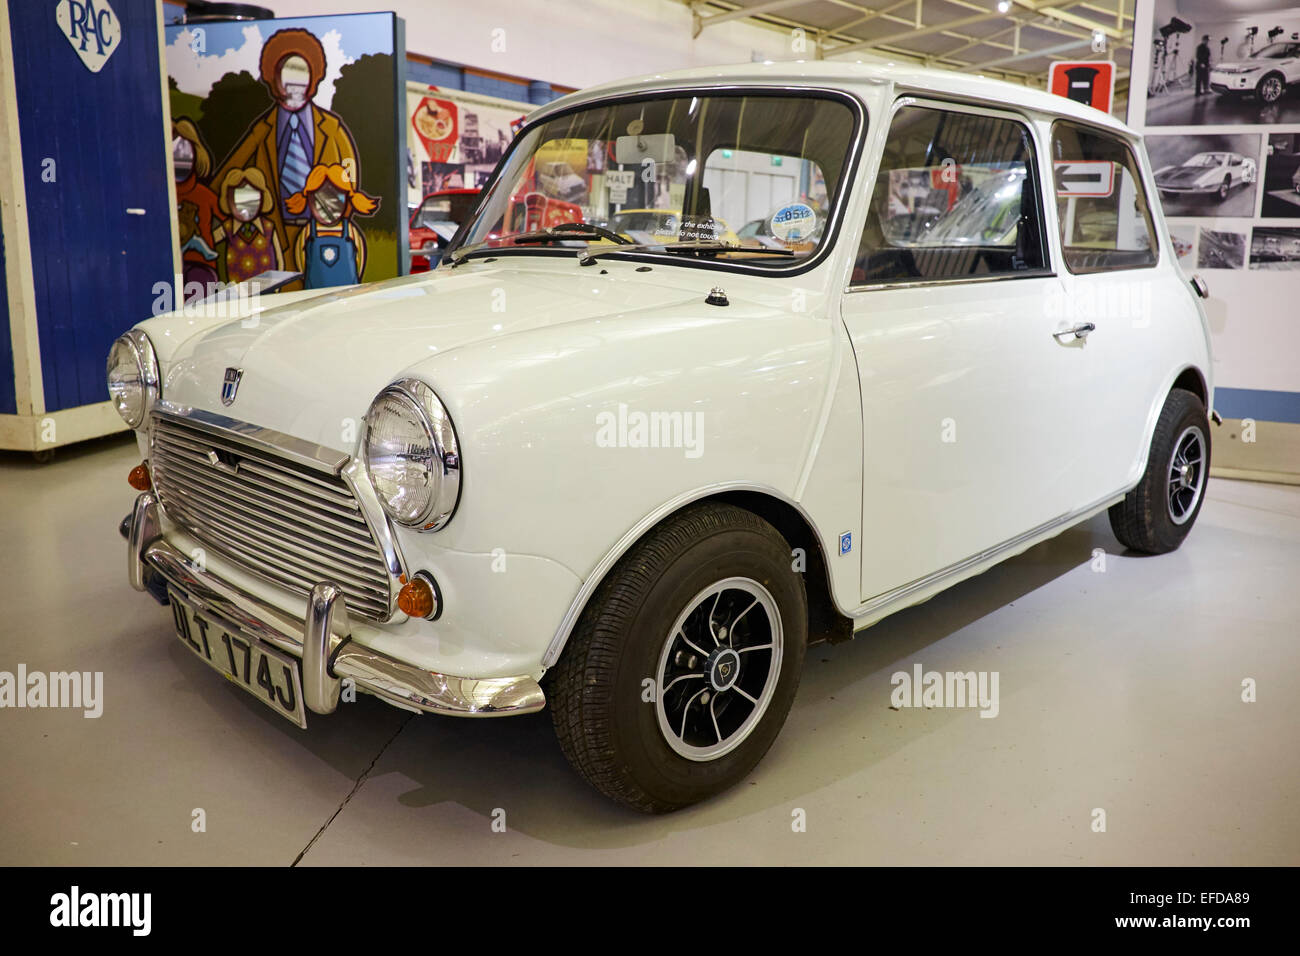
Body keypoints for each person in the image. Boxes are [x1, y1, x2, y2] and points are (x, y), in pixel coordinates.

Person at [210, 29, 359, 260]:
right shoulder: (261, 130)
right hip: (275, 231)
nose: (295, 86)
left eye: (302, 75)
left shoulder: (331, 128)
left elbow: (350, 177)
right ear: (274, 79)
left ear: (314, 78)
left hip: (320, 230)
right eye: (287, 76)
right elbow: (227, 173)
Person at [286, 163, 379, 288]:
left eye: (335, 199)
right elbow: (300, 260)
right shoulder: (309, 231)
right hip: (315, 293)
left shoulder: (349, 230)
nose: (328, 207)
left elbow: (360, 259)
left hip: (347, 292)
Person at [212, 167, 284, 284]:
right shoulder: (227, 228)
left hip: (267, 293)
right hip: (238, 293)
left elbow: (279, 259)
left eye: (252, 199)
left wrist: (277, 286)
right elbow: (209, 241)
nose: (246, 205)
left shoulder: (268, 227)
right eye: (240, 199)